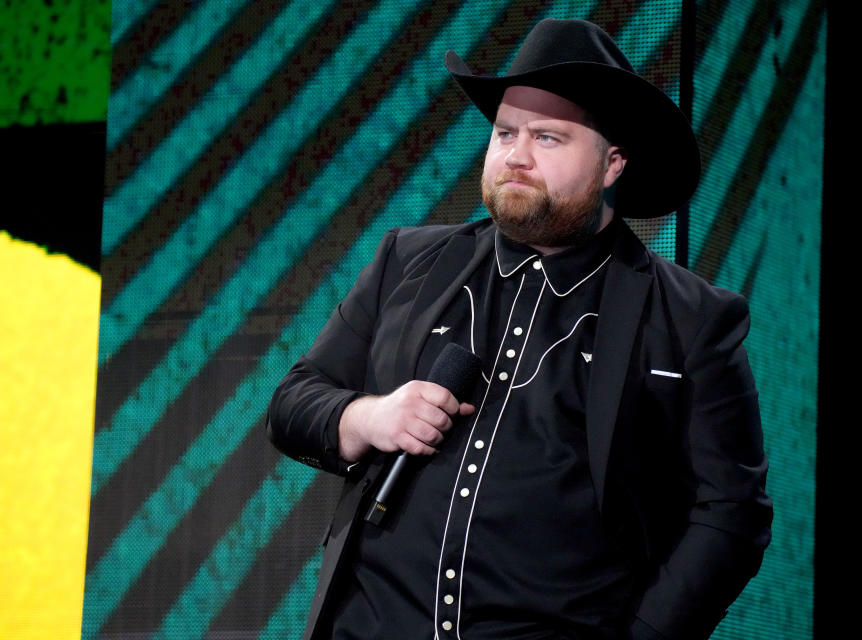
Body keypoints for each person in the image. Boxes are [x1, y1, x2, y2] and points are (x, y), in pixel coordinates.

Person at [267, 18, 772, 640]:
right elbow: (293, 403)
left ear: (612, 164)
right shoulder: (407, 262)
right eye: (505, 132)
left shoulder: (690, 318)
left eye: (548, 138)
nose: (516, 156)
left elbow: (732, 513)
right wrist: (367, 417)